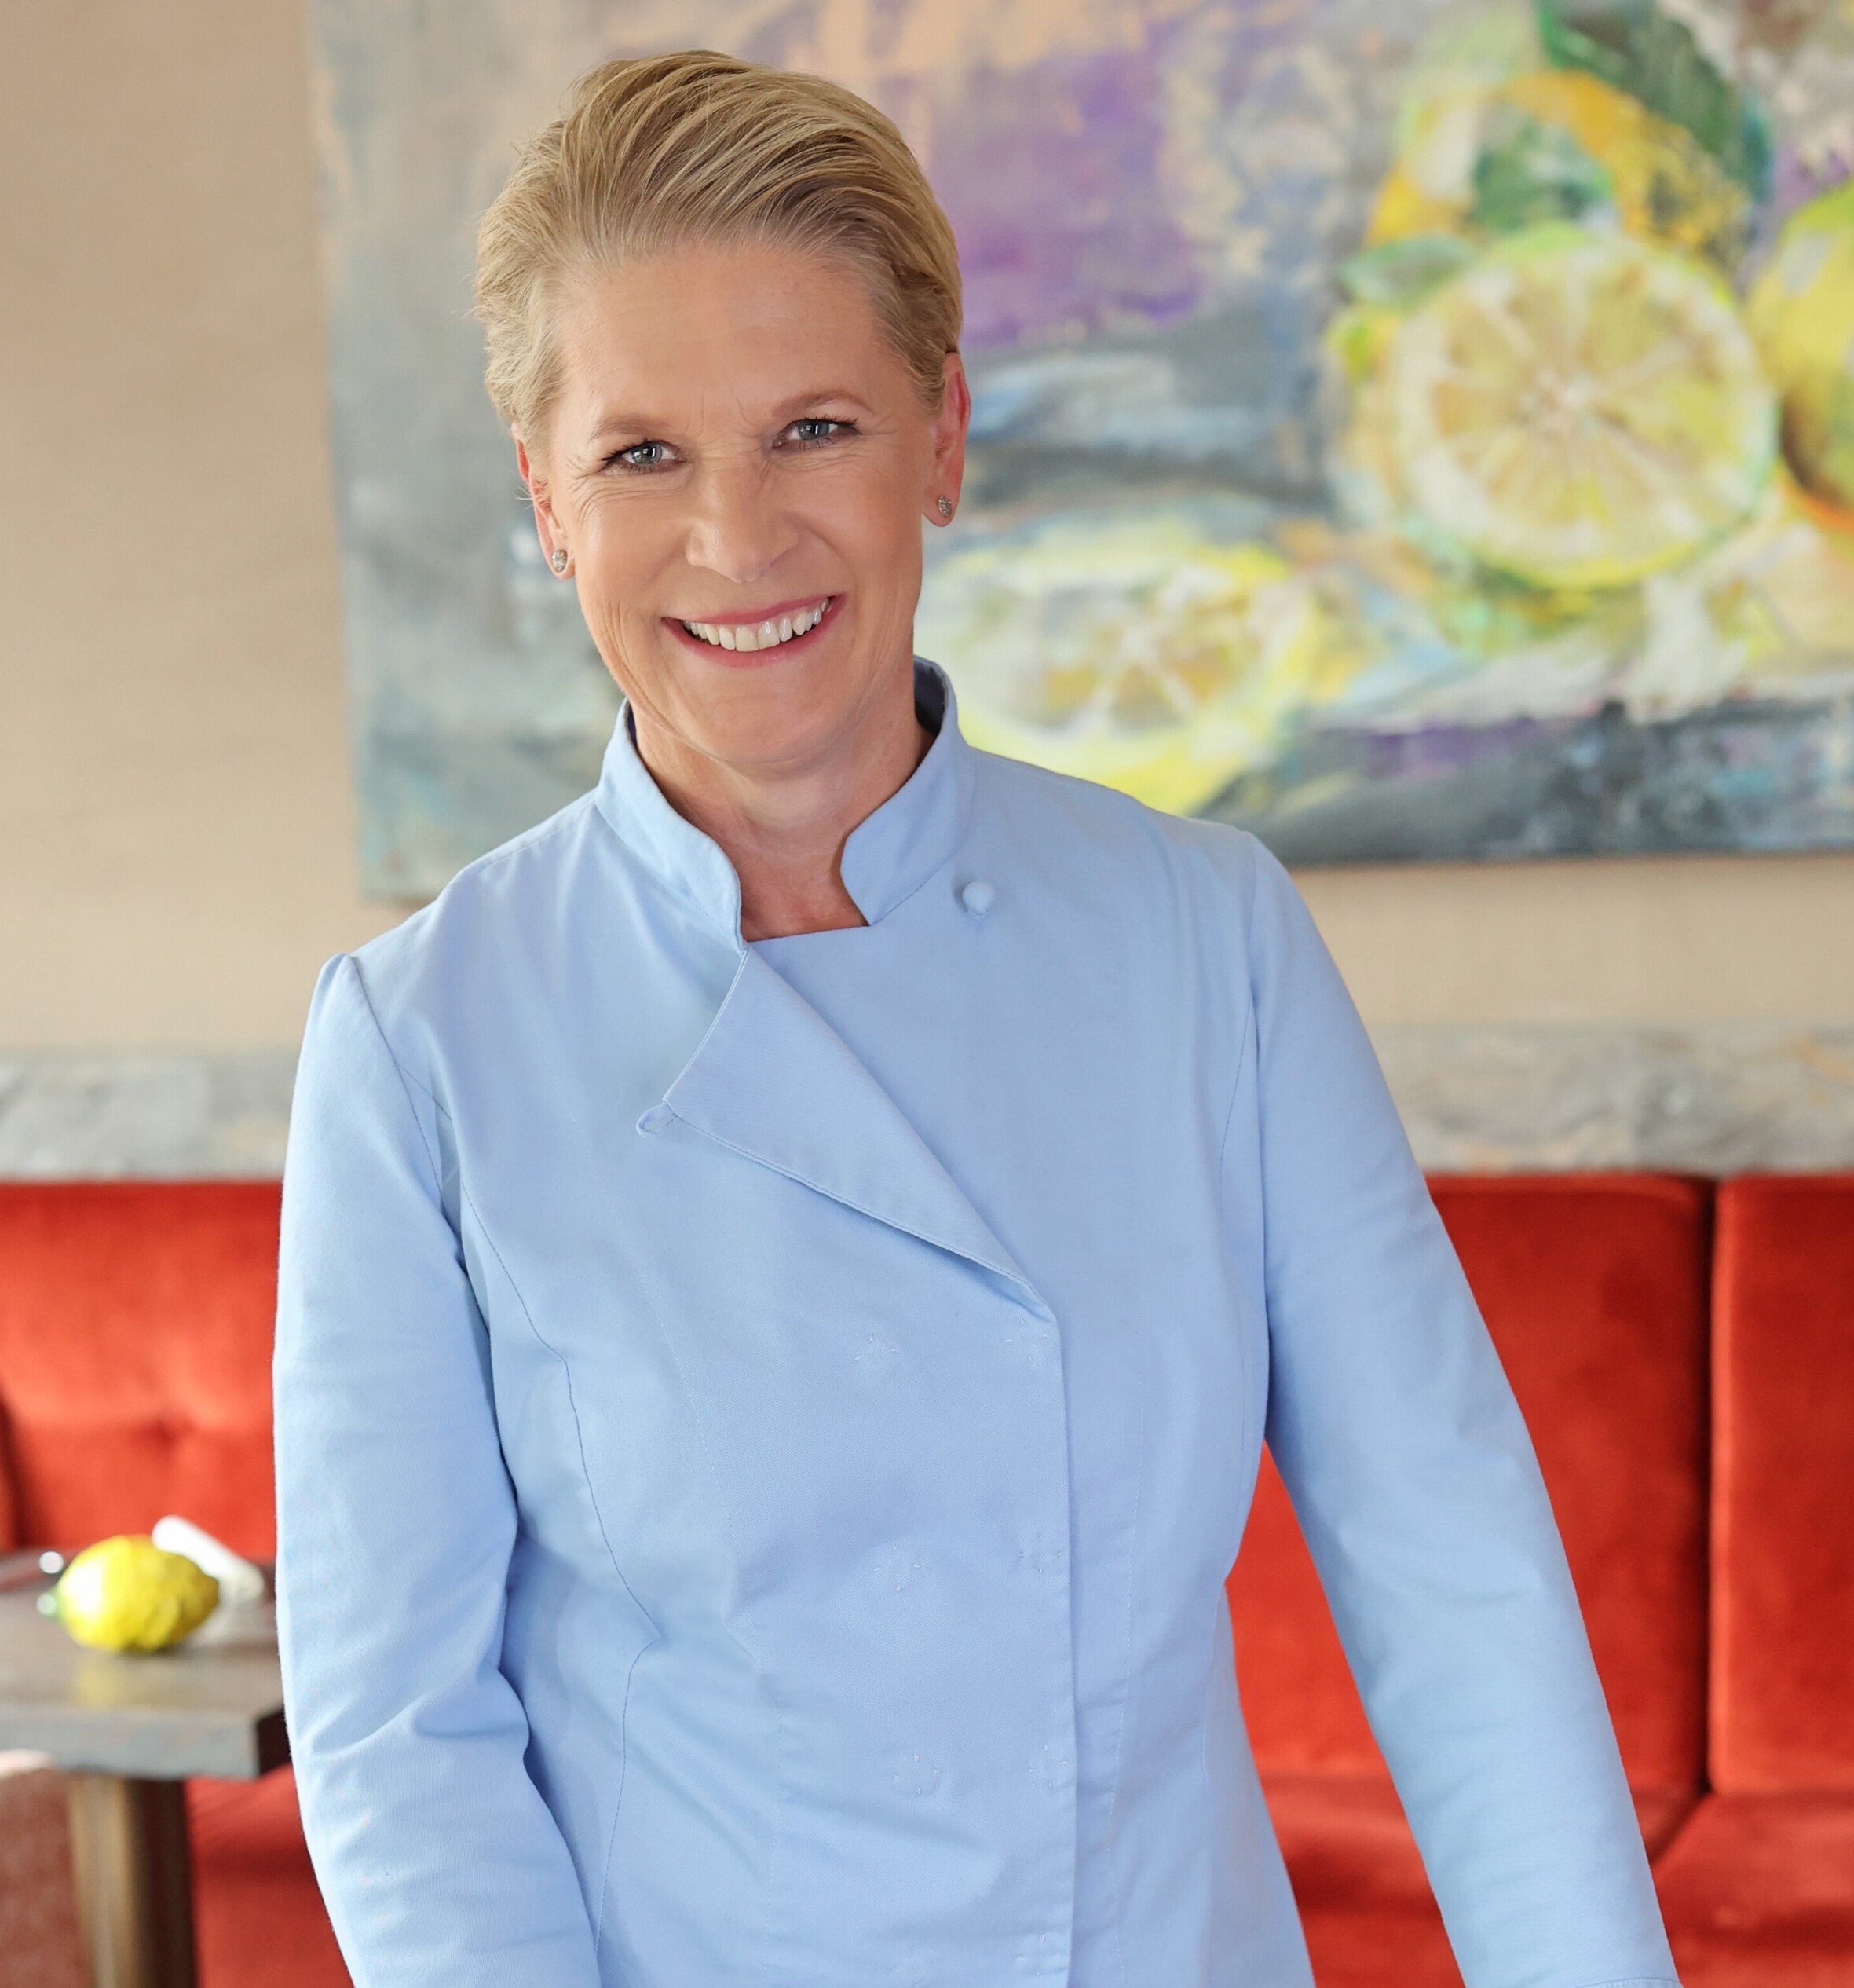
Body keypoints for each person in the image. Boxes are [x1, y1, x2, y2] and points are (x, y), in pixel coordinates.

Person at [273, 49, 1680, 1988]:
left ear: (941, 437)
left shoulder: (1207, 943)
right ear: (543, 503)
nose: (737, 536)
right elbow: (396, 1737)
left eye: (815, 426)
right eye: (641, 454)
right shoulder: (424, 1040)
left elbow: (1452, 1573)